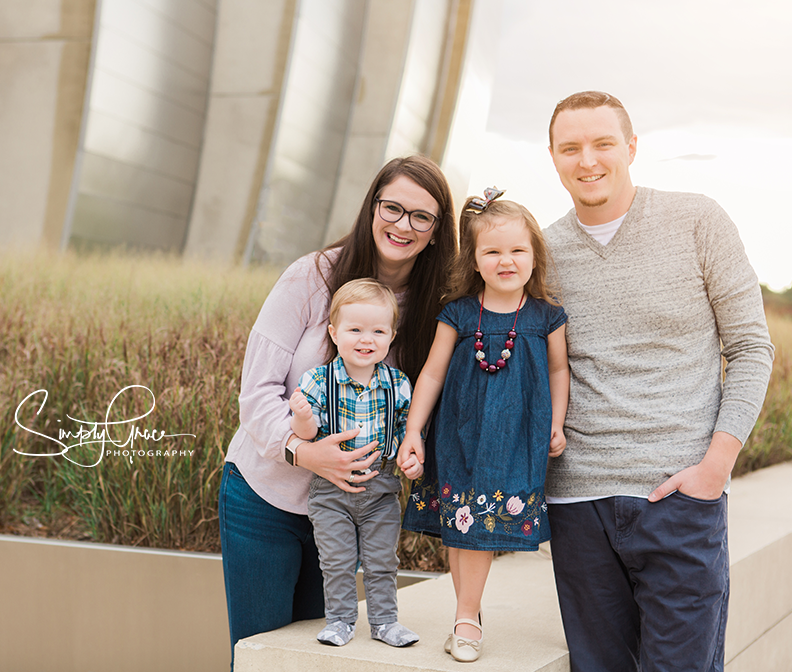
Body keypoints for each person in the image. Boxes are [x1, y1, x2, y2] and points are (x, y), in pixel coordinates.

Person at [543, 91, 775, 672]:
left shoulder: (697, 220)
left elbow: (750, 347)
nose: (587, 160)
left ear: (632, 147)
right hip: (578, 503)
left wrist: (716, 467)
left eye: (602, 143)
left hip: (679, 497)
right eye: (570, 148)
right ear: (552, 157)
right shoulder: (541, 252)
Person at [218, 156, 458, 670]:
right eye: (392, 207)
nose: (403, 225)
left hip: (354, 512)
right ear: (372, 207)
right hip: (267, 501)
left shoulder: (437, 306)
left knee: (320, 658)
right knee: (262, 655)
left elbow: (423, 406)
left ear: (438, 232)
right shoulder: (312, 275)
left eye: (422, 216)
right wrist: (303, 452)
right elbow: (255, 390)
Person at [398, 191, 570, 662]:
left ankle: (466, 618)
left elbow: (559, 370)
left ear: (535, 256)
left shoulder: (546, 316)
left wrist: (556, 421)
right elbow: (431, 373)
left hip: (516, 436)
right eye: (492, 251)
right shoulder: (458, 312)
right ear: (474, 261)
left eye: (517, 250)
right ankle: (466, 615)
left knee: (480, 524)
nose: (506, 260)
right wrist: (414, 431)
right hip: (458, 431)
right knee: (461, 525)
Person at [288, 278, 419, 648]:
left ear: (391, 336)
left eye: (378, 331)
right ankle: (341, 621)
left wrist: (412, 459)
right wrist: (300, 417)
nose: (367, 339)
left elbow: (408, 433)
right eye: (355, 329)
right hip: (330, 492)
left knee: (382, 561)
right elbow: (307, 431)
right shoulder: (318, 380)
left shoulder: (397, 384)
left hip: (381, 489)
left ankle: (384, 622)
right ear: (334, 332)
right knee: (337, 561)